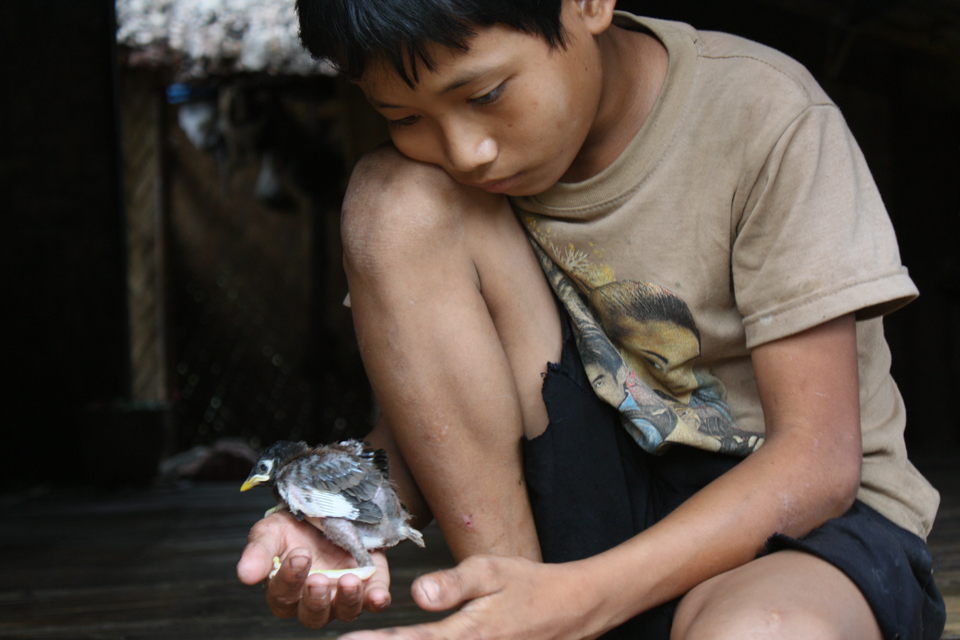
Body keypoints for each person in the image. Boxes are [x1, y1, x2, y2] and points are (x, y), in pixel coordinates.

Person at [236, 1, 947, 638]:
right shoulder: (457, 182)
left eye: (484, 95)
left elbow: (818, 465)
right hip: (583, 525)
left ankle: (538, 619)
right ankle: (509, 620)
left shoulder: (765, 115)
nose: (465, 151)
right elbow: (446, 423)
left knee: (761, 631)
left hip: (803, 534)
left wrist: (577, 599)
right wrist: (341, 511)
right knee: (390, 198)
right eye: (403, 118)